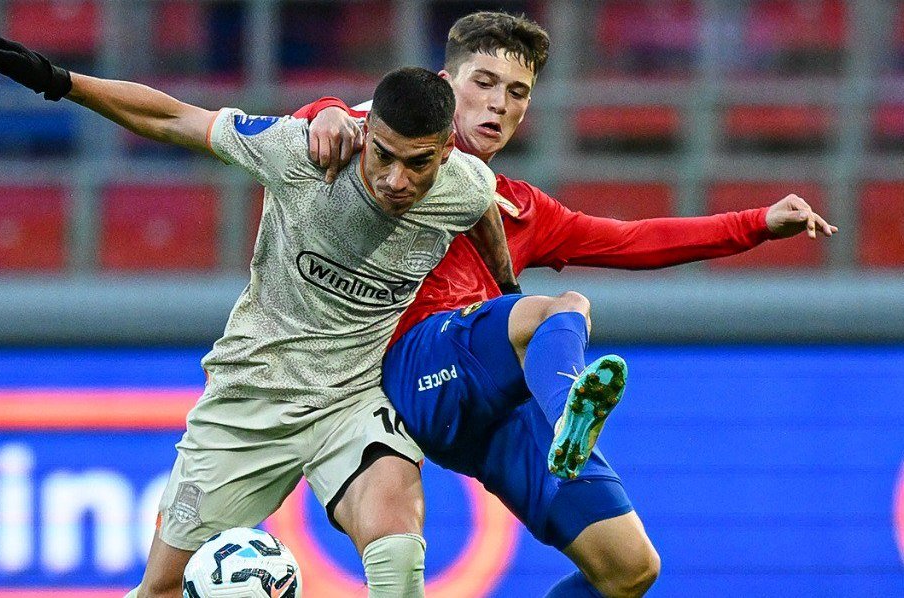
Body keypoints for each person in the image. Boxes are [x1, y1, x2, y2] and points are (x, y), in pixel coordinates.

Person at [296, 10, 838, 598]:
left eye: (516, 92)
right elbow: (296, 129)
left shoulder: (522, 208)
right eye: (484, 82)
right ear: (445, 84)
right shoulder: (390, 153)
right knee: (562, 308)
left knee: (629, 568)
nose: (498, 104)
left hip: (492, 409)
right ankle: (567, 416)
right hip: (413, 368)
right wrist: (323, 108)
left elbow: (635, 240)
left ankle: (564, 426)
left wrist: (758, 222)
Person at [0, 37, 521, 598]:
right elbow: (174, 118)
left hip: (351, 400)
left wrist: (506, 288)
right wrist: (60, 81)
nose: (396, 180)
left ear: (446, 150)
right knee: (161, 589)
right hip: (250, 398)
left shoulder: (463, 184)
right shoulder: (302, 155)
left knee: (398, 553)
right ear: (367, 131)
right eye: (383, 155)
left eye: (418, 163)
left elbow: (481, 208)